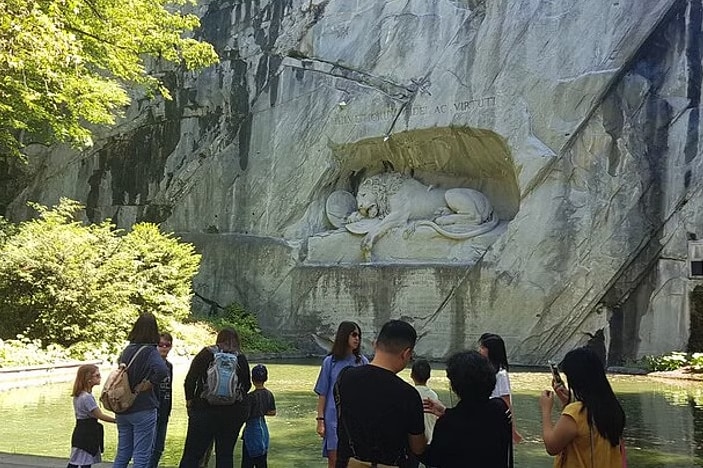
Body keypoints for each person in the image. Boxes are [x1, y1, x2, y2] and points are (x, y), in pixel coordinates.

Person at [334, 319, 426, 468]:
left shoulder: (344, 378)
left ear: (375, 344)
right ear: (406, 353)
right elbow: (418, 447)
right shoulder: (408, 395)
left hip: (348, 463)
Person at [421, 351, 513, 468]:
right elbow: (475, 419)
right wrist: (446, 412)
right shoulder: (500, 408)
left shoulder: (447, 424)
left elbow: (434, 459)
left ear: (455, 386)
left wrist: (415, 439)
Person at [539, 347, 626, 467]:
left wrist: (545, 409)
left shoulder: (575, 412)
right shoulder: (613, 408)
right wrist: (567, 402)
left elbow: (552, 447)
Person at [179, 327, 251, 468]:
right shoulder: (240, 358)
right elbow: (247, 385)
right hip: (232, 413)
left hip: (203, 410)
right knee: (225, 455)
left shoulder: (206, 354)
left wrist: (190, 403)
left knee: (192, 455)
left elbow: (189, 381)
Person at [113, 313, 169, 468]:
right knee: (142, 456)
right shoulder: (150, 351)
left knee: (122, 453)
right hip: (143, 408)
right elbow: (162, 370)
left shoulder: (126, 350)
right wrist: (150, 383)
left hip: (123, 408)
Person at [313, 321, 369, 468]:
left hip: (357, 420)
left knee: (355, 460)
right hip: (333, 419)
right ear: (344, 336)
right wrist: (320, 420)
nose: (357, 339)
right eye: (353, 335)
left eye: (359, 335)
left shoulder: (362, 362)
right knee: (334, 460)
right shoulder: (330, 362)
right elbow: (322, 393)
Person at [67, 364, 116, 468]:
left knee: (79, 460)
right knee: (83, 461)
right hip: (86, 433)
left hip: (82, 431)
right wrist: (116, 421)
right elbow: (99, 415)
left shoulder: (80, 395)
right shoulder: (86, 397)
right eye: (97, 376)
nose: (100, 377)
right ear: (88, 379)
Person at [479, 333, 523, 443]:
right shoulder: (483, 371)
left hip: (495, 419)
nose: (480, 350)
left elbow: (506, 402)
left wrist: (512, 429)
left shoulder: (501, 374)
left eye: (483, 348)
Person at [241, 364, 276, 468]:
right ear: (266, 378)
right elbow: (273, 412)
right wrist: (262, 411)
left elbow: (245, 415)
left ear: (252, 379)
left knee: (247, 462)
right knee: (262, 462)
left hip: (252, 431)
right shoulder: (269, 394)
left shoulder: (250, 397)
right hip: (263, 431)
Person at [408, 359, 440, 468]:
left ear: (411, 375)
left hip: (413, 441)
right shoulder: (433, 396)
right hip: (430, 438)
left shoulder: (410, 394)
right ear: (429, 376)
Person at [149, 332, 174, 468]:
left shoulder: (169, 366)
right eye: (161, 345)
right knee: (149, 447)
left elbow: (169, 388)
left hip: (165, 409)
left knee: (159, 448)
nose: (164, 347)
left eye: (167, 345)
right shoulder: (151, 364)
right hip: (152, 409)